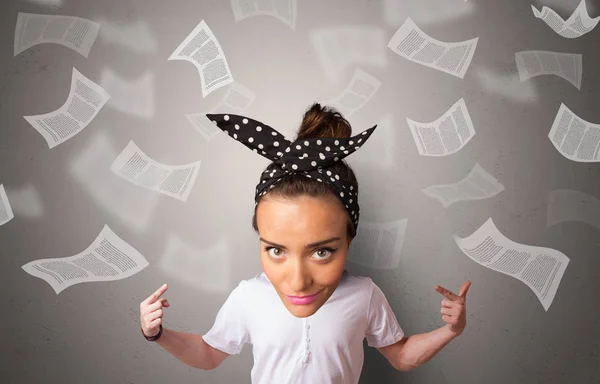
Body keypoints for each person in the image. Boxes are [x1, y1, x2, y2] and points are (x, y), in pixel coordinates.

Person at [139, 103, 472, 384]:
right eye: (276, 250)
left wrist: (450, 330)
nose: (297, 281)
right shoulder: (248, 297)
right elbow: (210, 354)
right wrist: (158, 334)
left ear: (350, 238)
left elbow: (400, 355)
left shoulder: (365, 295)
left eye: (322, 251)